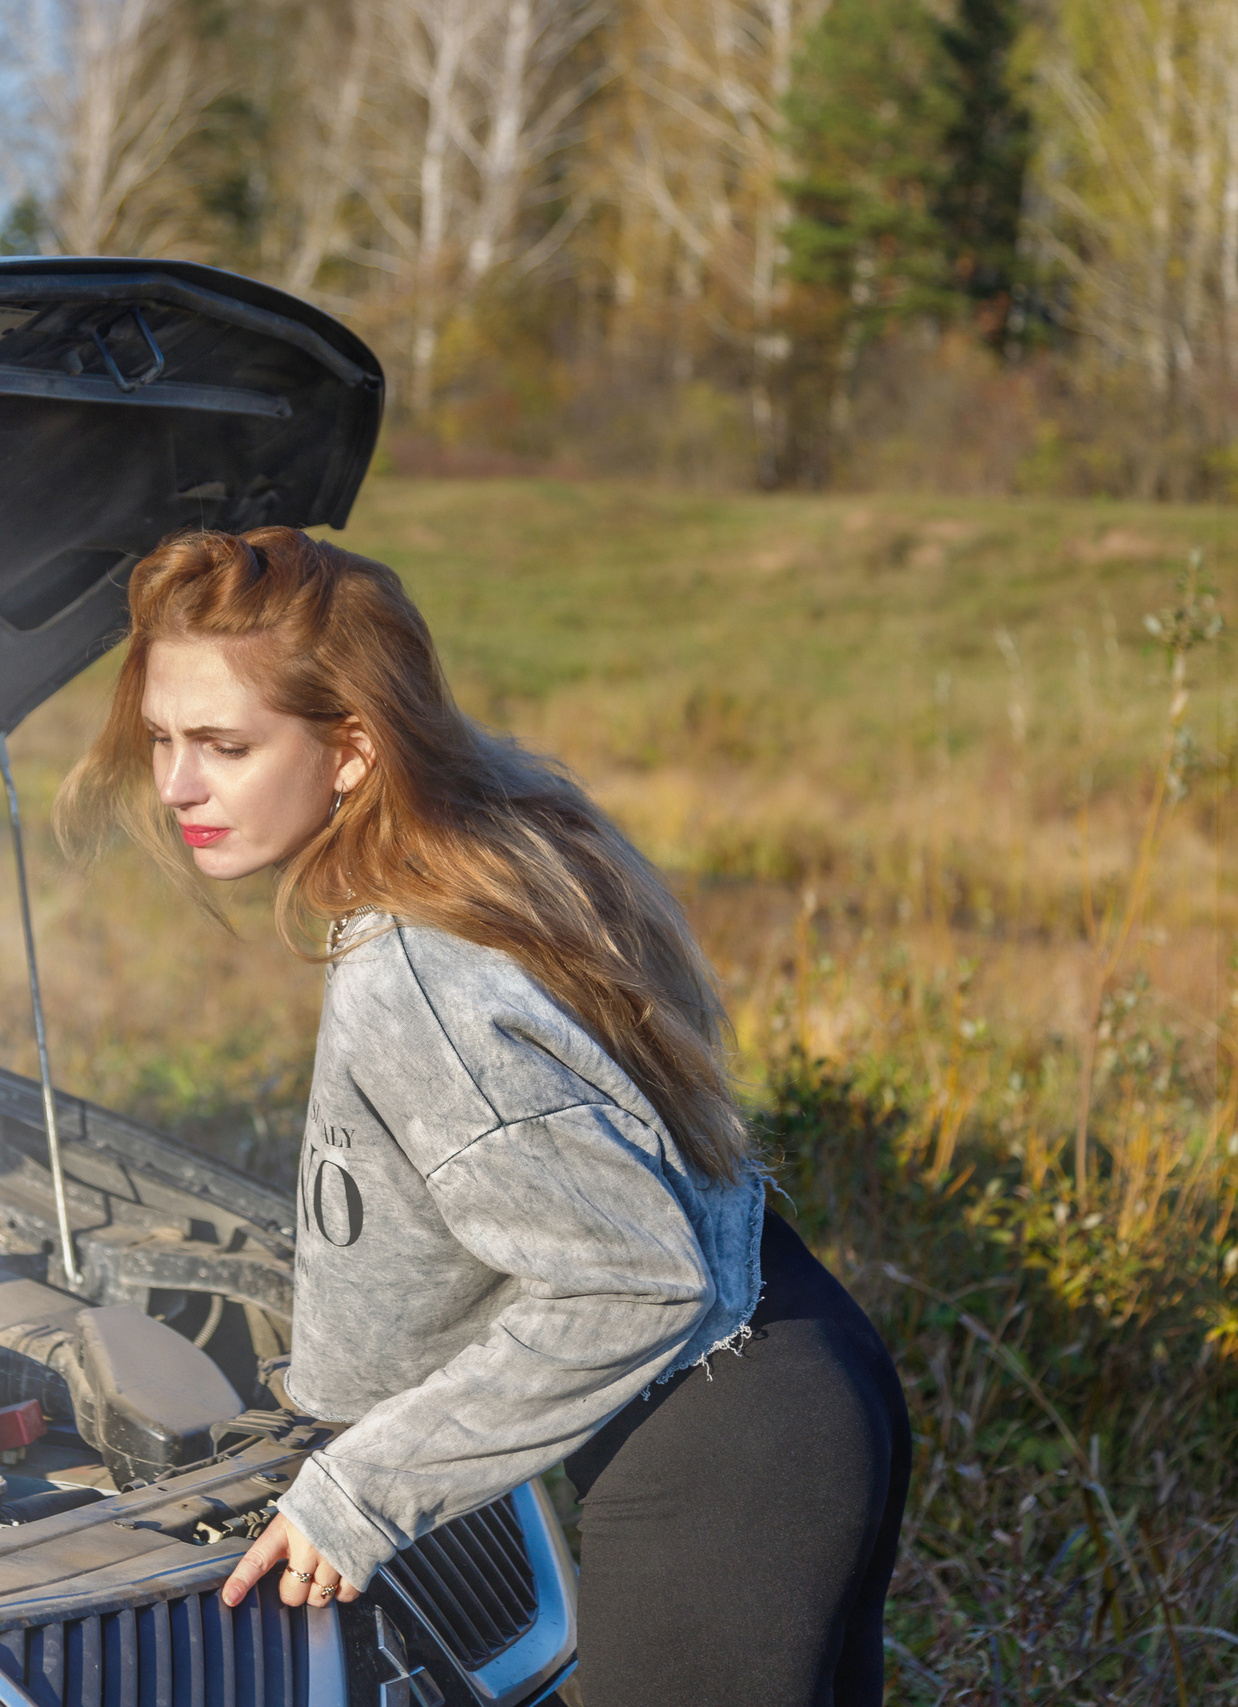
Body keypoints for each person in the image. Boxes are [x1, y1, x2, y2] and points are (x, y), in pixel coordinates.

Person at [55, 526, 911, 1706]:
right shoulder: (503, 830)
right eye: (160, 738)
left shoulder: (410, 966)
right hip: (801, 1364)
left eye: (224, 745)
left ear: (351, 749)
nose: (176, 785)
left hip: (714, 1436)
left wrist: (358, 1496)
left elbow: (630, 1282)